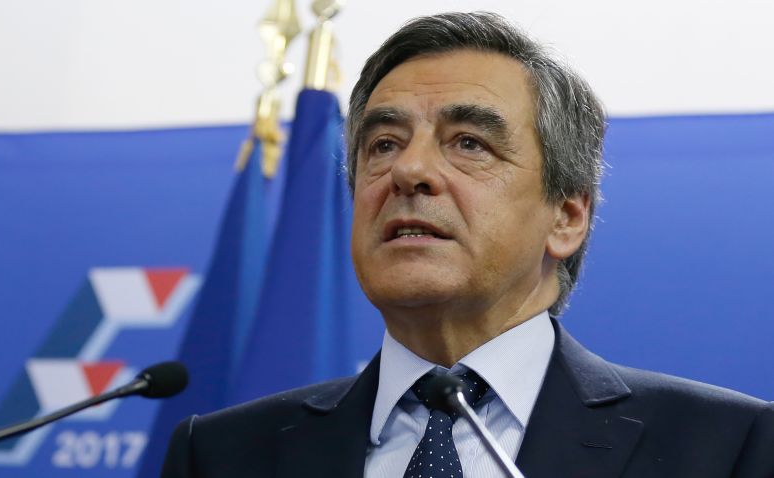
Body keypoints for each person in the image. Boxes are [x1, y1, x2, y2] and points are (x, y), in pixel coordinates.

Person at [161, 11, 774, 477]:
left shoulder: (727, 447)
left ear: (566, 217)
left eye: (469, 143)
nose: (409, 172)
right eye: (383, 145)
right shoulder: (222, 455)